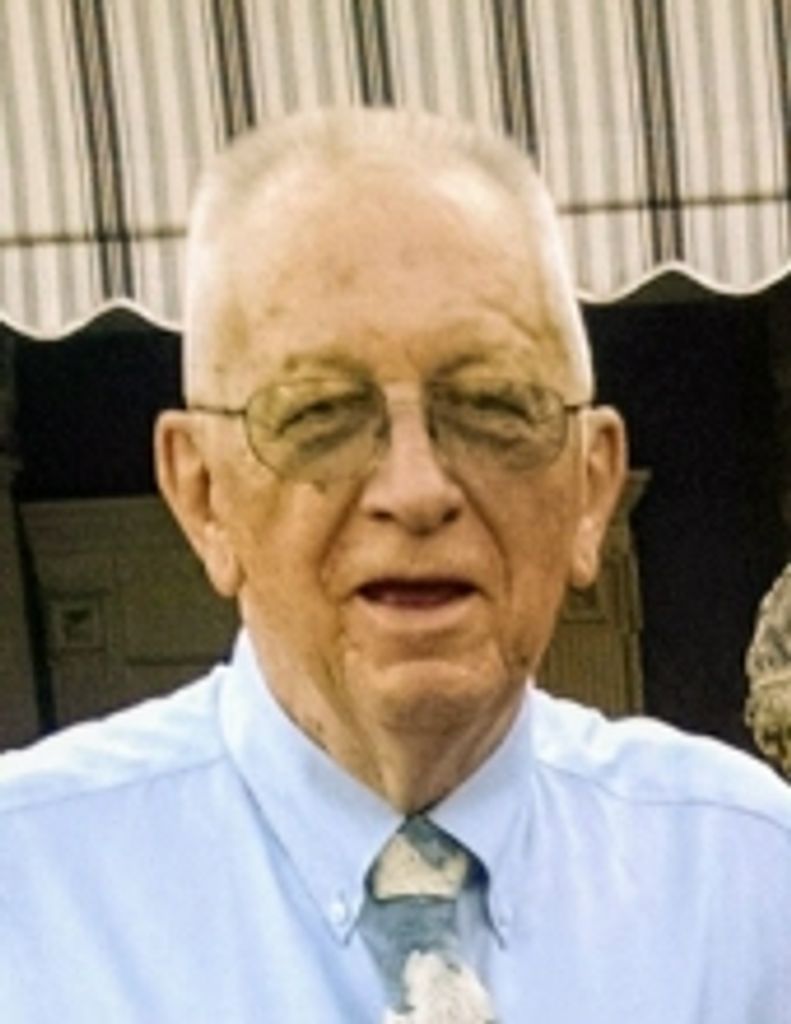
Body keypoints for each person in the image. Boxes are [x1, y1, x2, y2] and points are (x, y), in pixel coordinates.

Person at [1, 108, 789, 1022]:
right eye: (317, 414)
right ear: (203, 494)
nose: (414, 490)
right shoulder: (30, 899)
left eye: (492, 405)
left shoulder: (747, 883)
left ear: (589, 487)